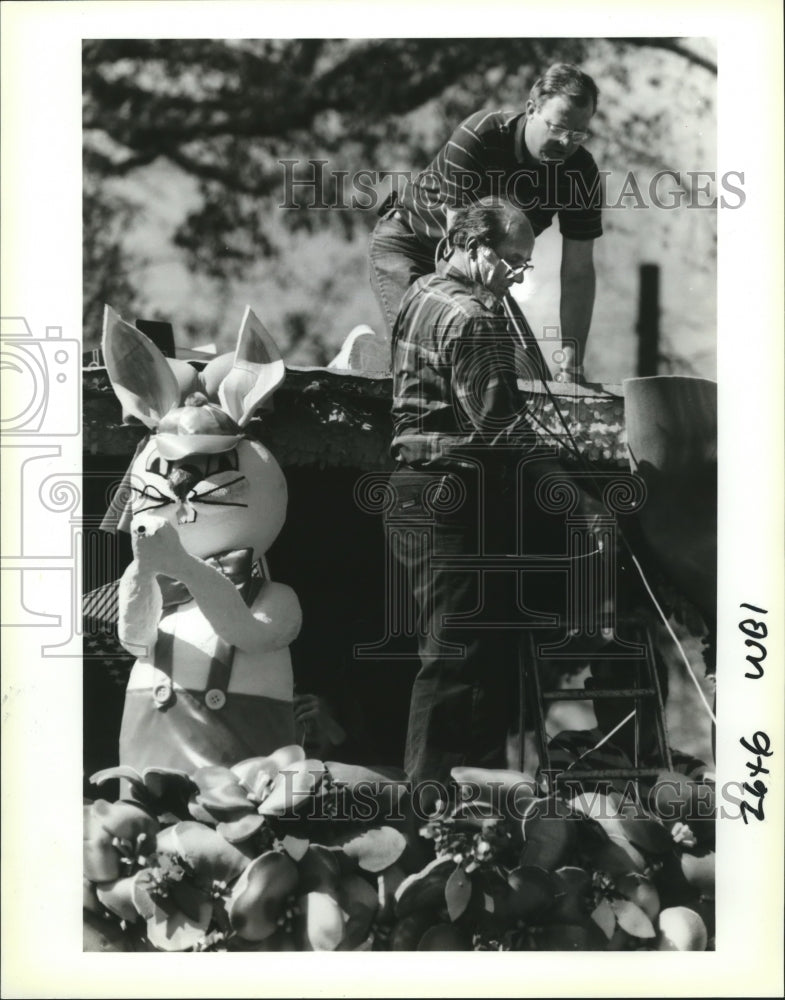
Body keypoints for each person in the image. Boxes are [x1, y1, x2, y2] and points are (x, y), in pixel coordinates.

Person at [388, 196, 547, 801]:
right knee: (462, 654)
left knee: (445, 646)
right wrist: (570, 484)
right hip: (453, 494)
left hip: (408, 487)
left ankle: (454, 796)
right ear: (475, 247)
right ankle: (439, 804)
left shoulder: (418, 294)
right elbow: (500, 425)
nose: (516, 274)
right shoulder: (478, 319)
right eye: (513, 260)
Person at [370, 62, 601, 381]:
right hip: (413, 244)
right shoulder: (480, 134)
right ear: (531, 109)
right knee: (433, 357)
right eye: (558, 129)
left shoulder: (581, 174)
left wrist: (571, 365)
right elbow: (459, 254)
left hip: (485, 267)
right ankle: (363, 360)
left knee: (529, 376)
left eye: (577, 135)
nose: (565, 144)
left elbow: (578, 271)